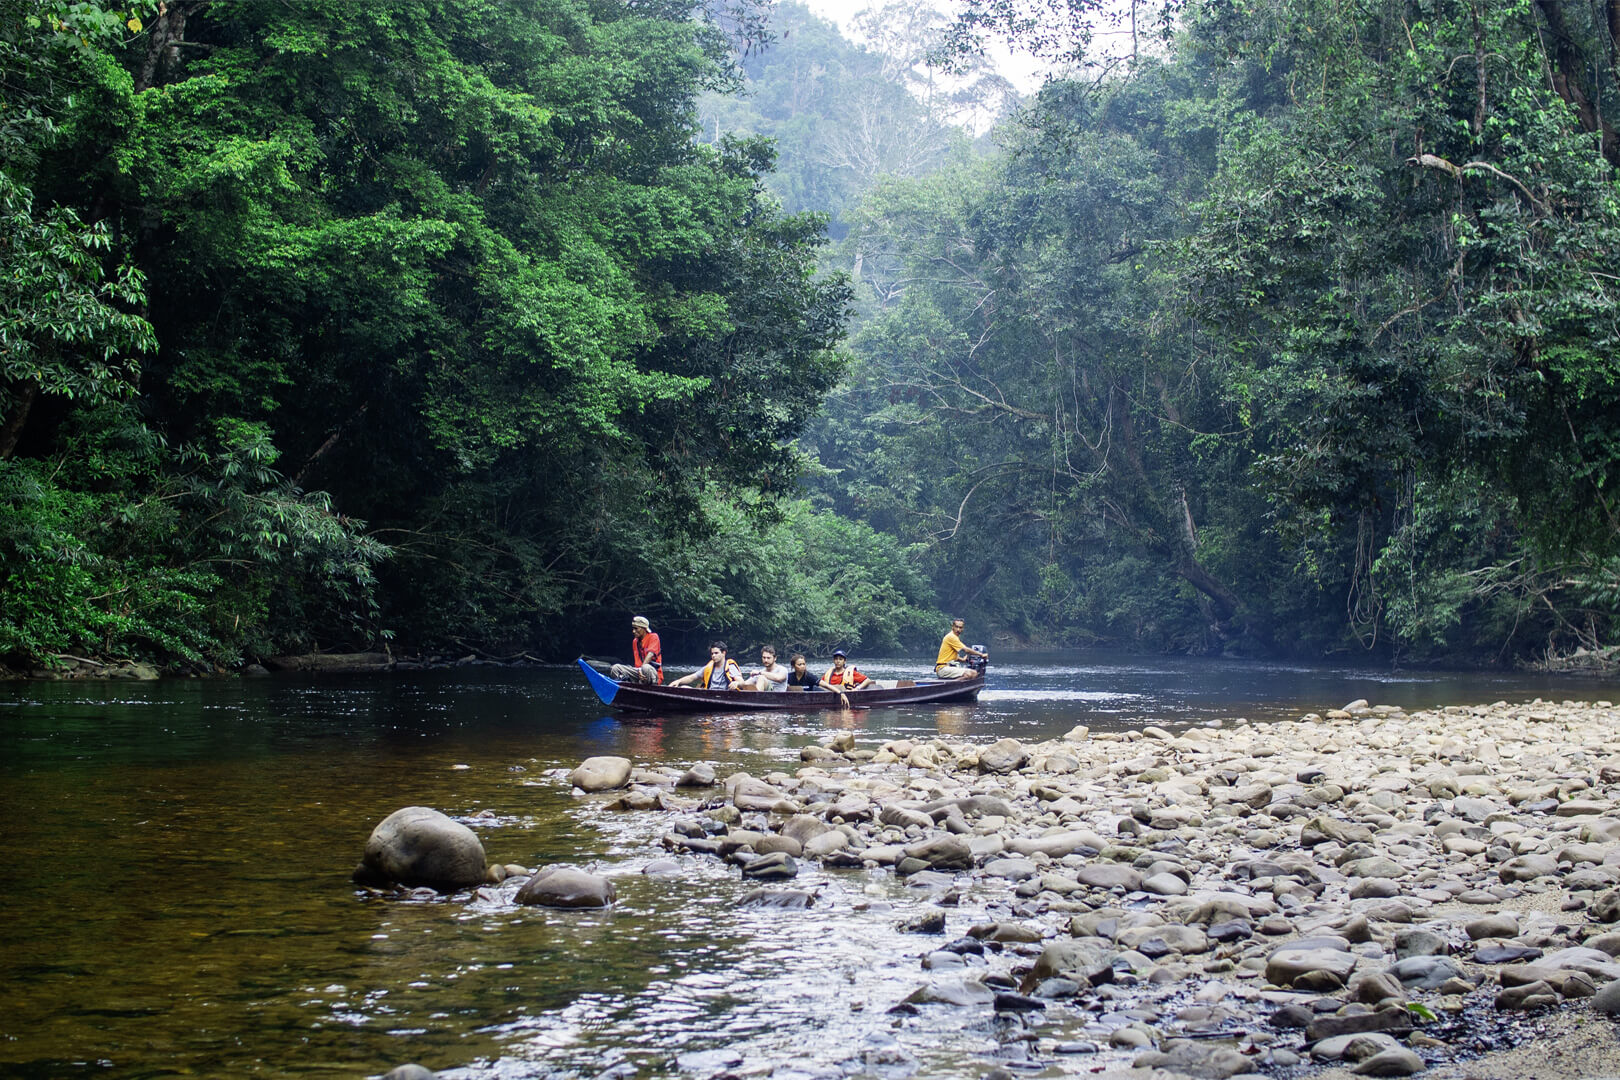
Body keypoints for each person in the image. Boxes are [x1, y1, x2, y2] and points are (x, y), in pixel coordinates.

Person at [667, 641, 745, 690]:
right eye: (712, 653)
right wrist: (678, 681)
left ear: (724, 653)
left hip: (725, 695)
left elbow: (742, 682)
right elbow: (692, 677)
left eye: (716, 653)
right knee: (683, 688)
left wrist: (736, 683)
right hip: (709, 694)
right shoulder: (708, 667)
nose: (713, 656)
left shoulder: (730, 667)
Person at [609, 615, 662, 683]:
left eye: (636, 628)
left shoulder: (654, 637)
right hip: (639, 672)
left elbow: (650, 654)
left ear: (644, 628)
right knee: (615, 668)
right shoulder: (635, 641)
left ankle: (648, 686)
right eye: (633, 628)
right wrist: (638, 671)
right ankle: (624, 685)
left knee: (645, 668)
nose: (633, 631)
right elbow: (637, 663)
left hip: (653, 673)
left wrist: (641, 669)